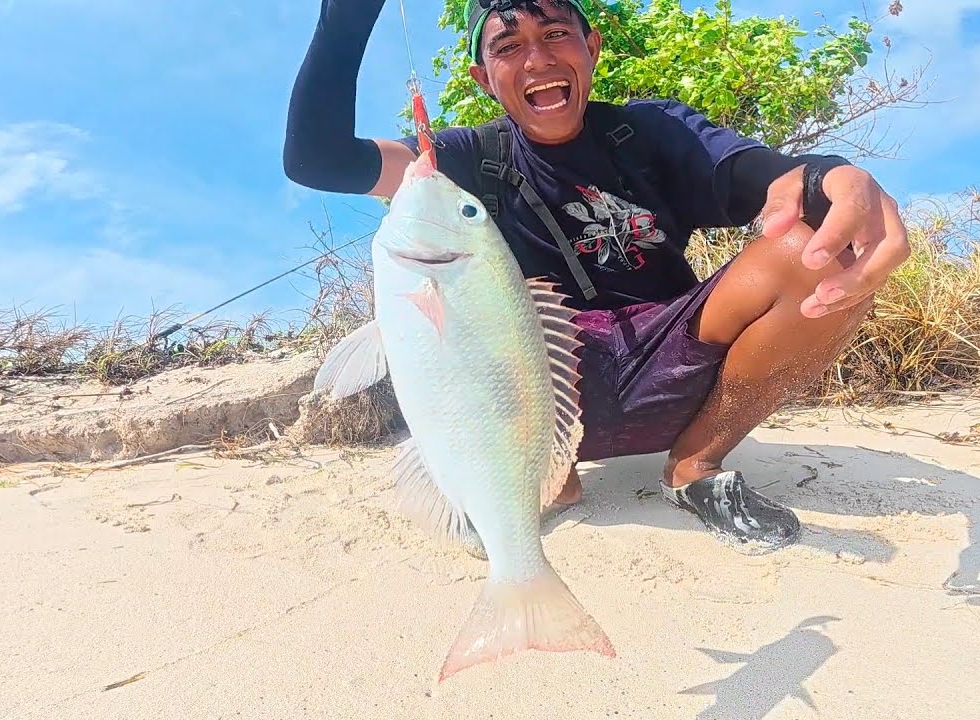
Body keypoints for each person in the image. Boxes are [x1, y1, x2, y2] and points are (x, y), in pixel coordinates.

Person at [283, 0, 910, 554]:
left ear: (592, 48)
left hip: (681, 368)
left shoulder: (653, 131)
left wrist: (825, 175)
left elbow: (771, 178)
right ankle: (544, 482)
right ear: (483, 77)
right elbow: (317, 157)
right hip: (540, 395)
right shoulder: (459, 164)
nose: (535, 59)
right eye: (507, 47)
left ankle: (696, 464)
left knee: (810, 251)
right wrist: (349, 11)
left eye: (555, 34)